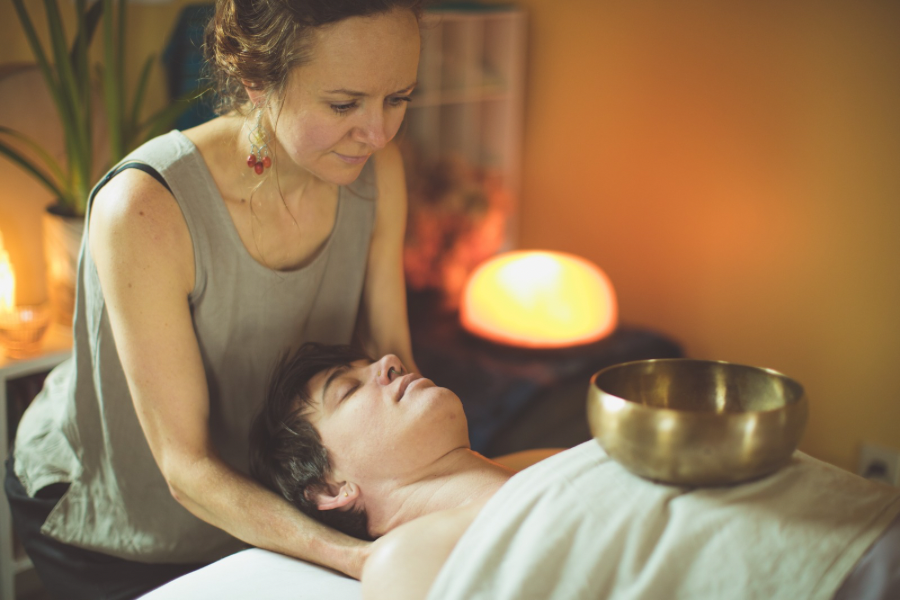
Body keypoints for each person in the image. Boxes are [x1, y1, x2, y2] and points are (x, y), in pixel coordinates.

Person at [4, 2, 424, 598]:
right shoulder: (145, 209)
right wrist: (359, 559)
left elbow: (392, 354)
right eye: (343, 104)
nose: (378, 133)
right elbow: (187, 470)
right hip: (123, 520)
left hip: (274, 498)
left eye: (399, 98)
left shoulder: (380, 172)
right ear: (257, 78)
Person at [250, 342, 900, 600]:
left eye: (372, 362)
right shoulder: (402, 561)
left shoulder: (534, 466)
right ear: (331, 488)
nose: (388, 360)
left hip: (852, 523)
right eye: (348, 387)